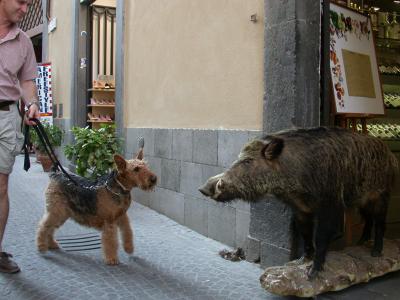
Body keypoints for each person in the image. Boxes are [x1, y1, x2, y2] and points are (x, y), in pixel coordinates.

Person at [0, 0, 40, 273]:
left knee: (1, 187)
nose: (25, 9)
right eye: (21, 2)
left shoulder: (23, 41)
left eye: (29, 4)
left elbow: (27, 81)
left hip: (6, 116)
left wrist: (33, 103)